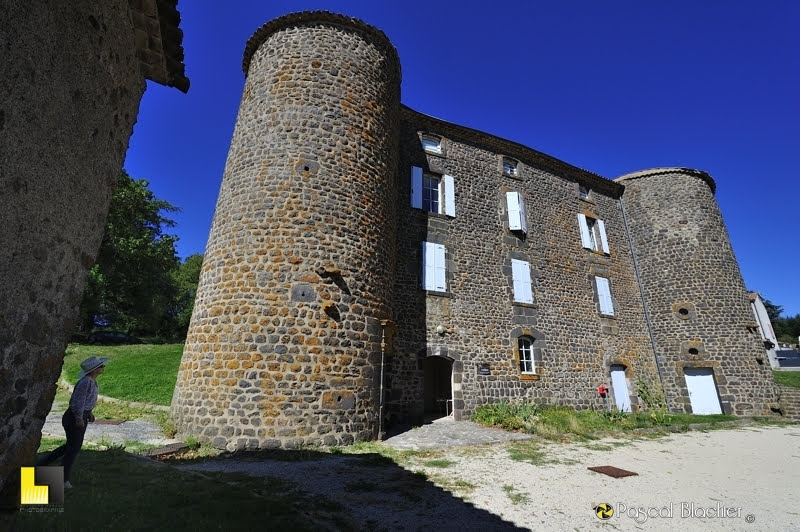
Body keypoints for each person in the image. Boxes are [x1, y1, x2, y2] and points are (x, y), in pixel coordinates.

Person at [38, 355, 108, 489]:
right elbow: (77, 402)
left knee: (70, 446)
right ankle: (63, 480)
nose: (103, 367)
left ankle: (43, 463)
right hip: (74, 418)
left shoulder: (91, 381)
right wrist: (78, 418)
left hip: (81, 415)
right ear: (94, 370)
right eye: (100, 366)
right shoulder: (86, 382)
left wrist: (89, 413)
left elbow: (85, 400)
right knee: (73, 449)